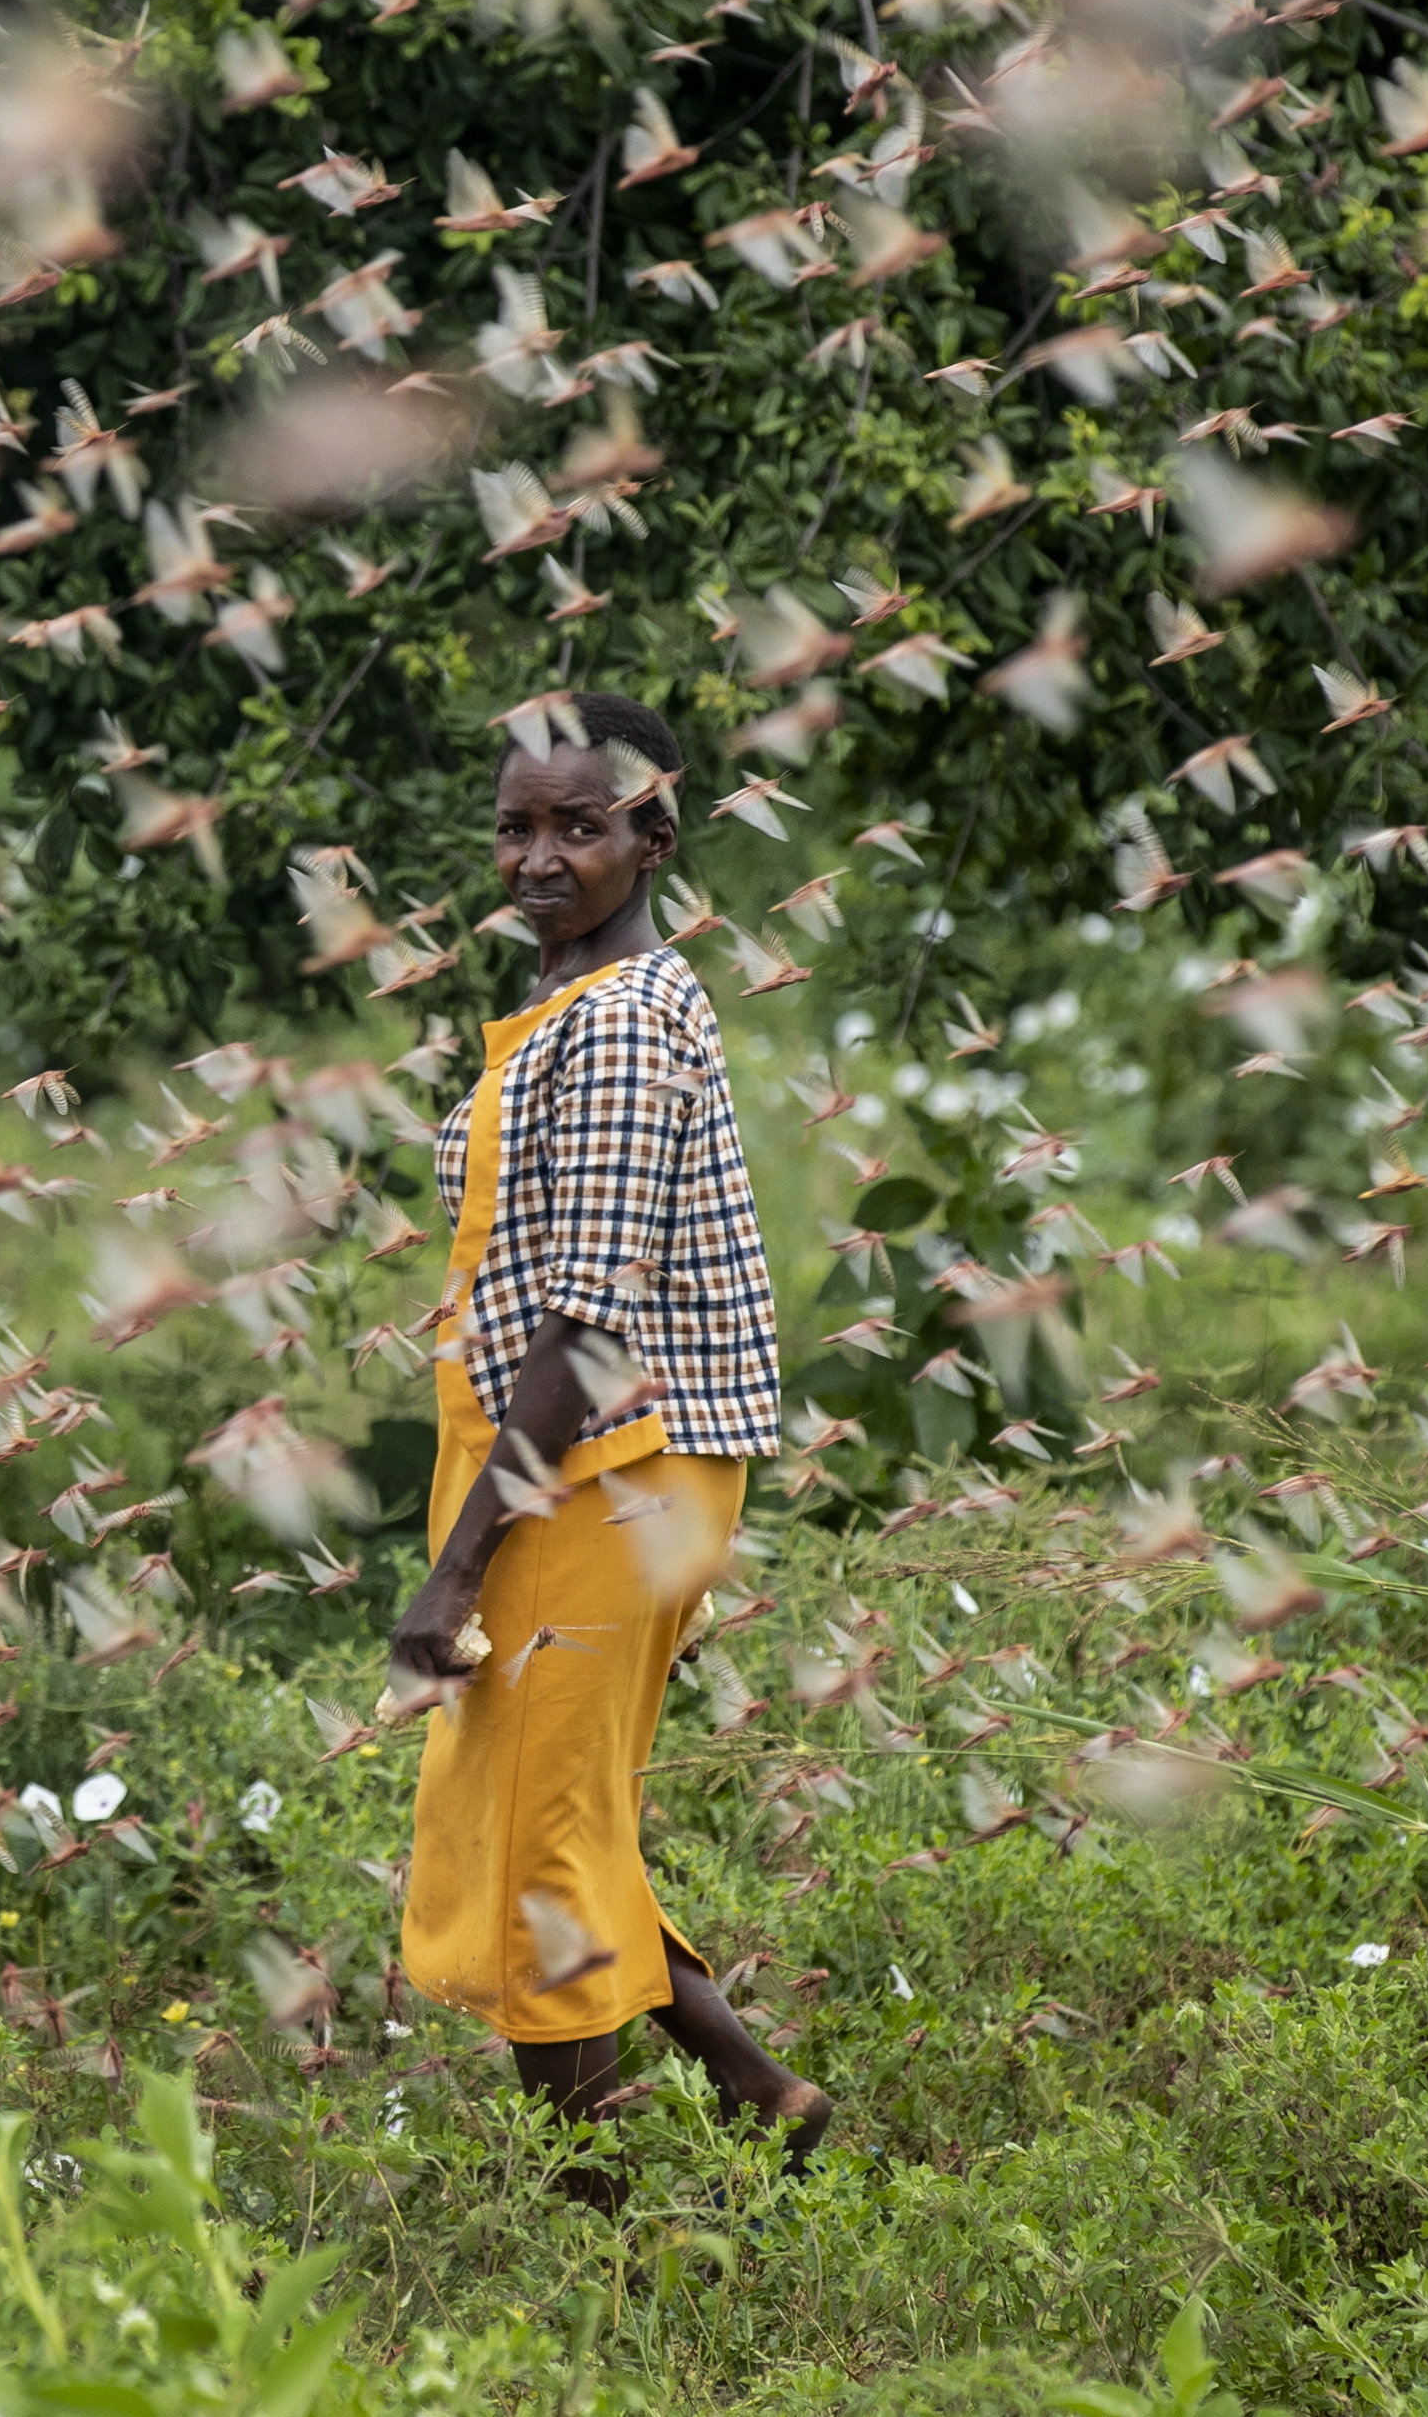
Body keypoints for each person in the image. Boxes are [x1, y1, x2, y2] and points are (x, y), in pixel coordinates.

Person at [389, 690, 823, 2199]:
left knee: (532, 1855)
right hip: (563, 1466)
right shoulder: (573, 1010)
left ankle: (609, 2253)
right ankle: (758, 2091)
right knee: (556, 1811)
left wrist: (453, 1574)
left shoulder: (626, 1027)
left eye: (580, 824)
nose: (538, 856)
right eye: (516, 824)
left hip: (605, 1473)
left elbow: (588, 1324)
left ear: (654, 829)